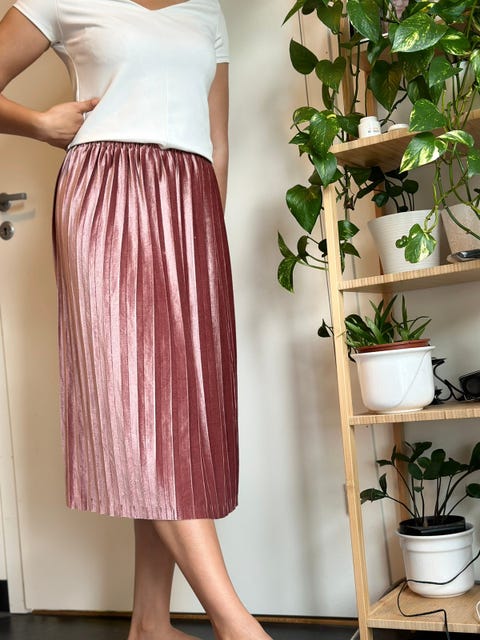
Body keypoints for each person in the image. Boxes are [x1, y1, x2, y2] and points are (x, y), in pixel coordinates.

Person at [0, 2, 272, 639]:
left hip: (192, 205)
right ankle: (237, 625)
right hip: (106, 197)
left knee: (176, 414)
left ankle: (150, 622)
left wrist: (206, 243)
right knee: (137, 405)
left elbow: (218, 142)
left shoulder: (206, 10)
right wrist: (39, 124)